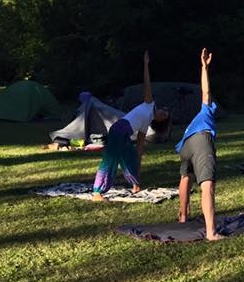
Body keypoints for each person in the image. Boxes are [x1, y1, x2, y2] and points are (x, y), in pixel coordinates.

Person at [92, 50, 170, 200]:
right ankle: (97, 191)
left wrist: (138, 165)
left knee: (128, 156)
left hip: (122, 133)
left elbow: (140, 149)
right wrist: (146, 64)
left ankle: (135, 185)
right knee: (111, 159)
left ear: (160, 120)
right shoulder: (149, 104)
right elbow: (147, 84)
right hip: (119, 129)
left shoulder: (145, 125)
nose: (163, 111)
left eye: (164, 115)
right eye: (164, 110)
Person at [175, 48, 224, 241]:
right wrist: (204, 67)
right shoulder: (206, 112)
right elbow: (206, 91)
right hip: (201, 140)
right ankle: (211, 233)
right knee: (207, 184)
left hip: (185, 145)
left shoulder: (194, 120)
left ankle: (183, 216)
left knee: (186, 177)